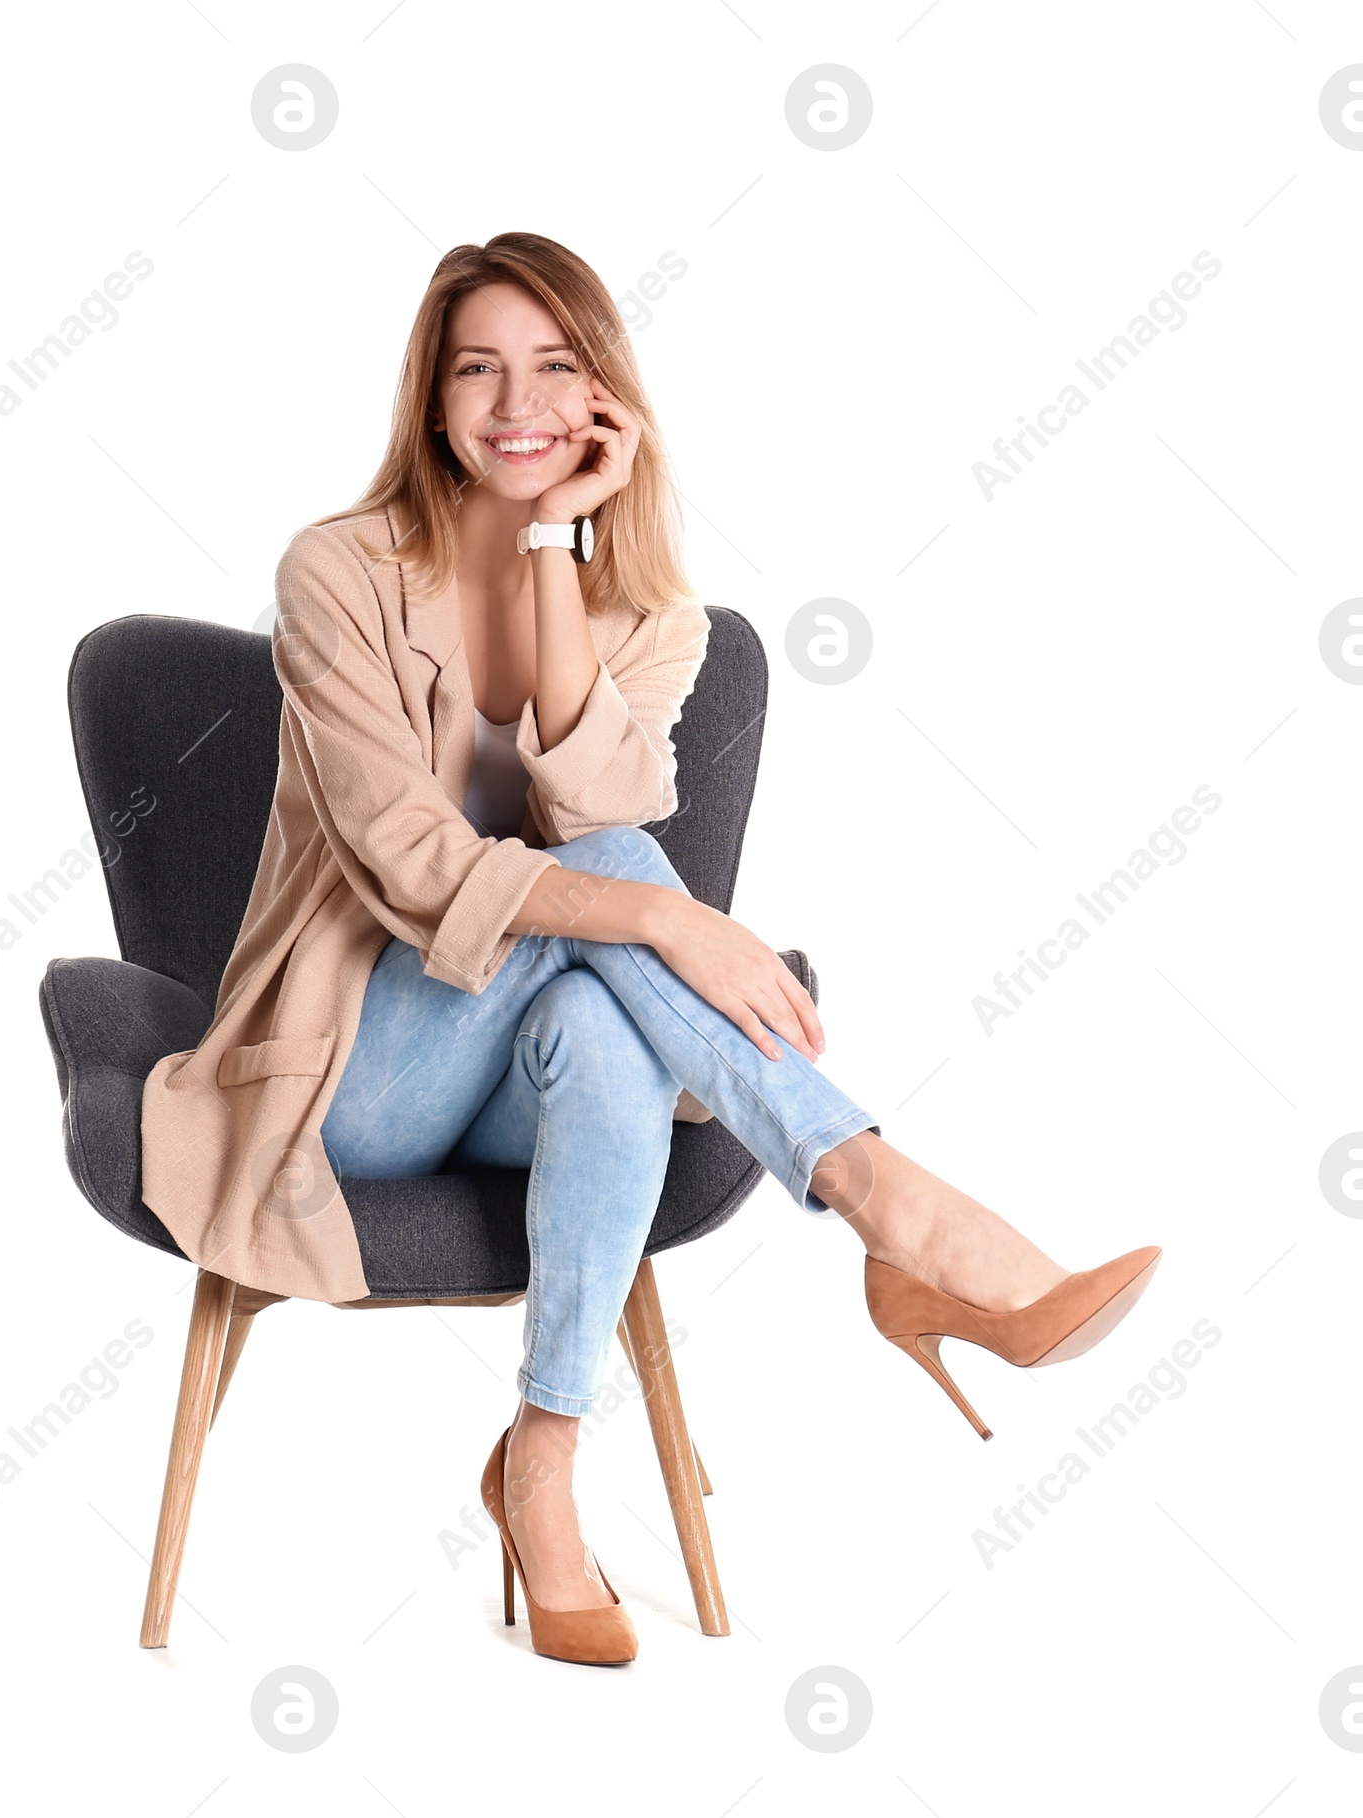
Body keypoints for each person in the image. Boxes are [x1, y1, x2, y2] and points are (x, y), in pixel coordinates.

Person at [274, 232, 1162, 1666]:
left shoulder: (655, 619)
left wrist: (560, 551)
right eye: (479, 368)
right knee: (629, 895)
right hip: (367, 1073)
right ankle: (894, 1208)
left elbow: (599, 813)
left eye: (558, 366)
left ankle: (543, 1468)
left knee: (615, 1018)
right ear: (432, 400)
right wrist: (669, 916)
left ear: (606, 397)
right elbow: (415, 861)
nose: (519, 402)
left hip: (542, 1063)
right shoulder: (339, 570)